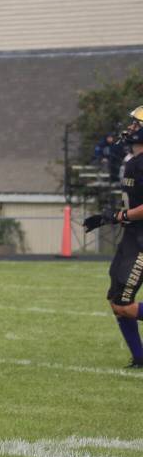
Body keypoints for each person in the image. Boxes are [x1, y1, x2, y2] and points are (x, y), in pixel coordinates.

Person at [84, 106, 143, 369]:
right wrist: (110, 217)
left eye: (136, 124)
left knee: (123, 305)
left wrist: (120, 215)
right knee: (115, 300)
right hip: (132, 236)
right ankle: (140, 358)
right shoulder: (132, 160)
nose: (131, 128)